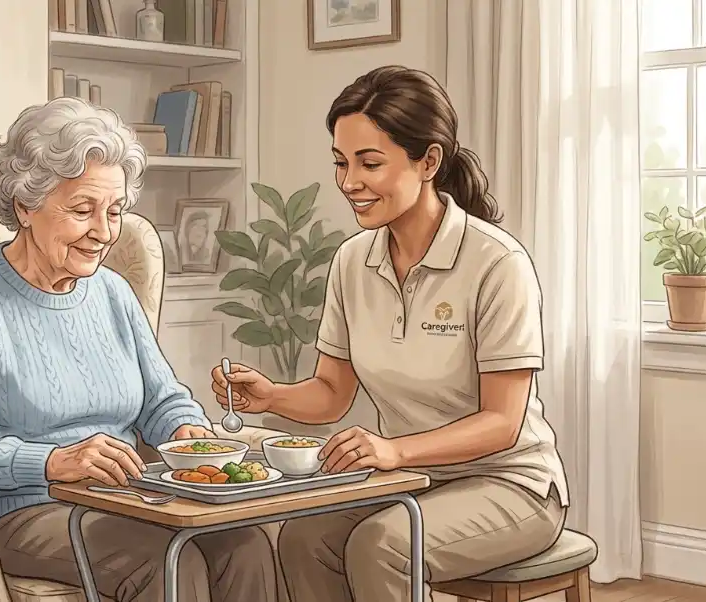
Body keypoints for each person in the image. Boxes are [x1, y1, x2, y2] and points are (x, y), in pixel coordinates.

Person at [210, 65, 569, 602]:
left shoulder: (497, 262)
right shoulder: (352, 261)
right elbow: (332, 393)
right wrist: (273, 395)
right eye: (341, 162)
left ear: (428, 162)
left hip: (510, 485)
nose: (348, 182)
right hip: (415, 480)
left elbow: (501, 423)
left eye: (369, 163)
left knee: (382, 544)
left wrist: (395, 451)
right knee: (304, 536)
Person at [0, 97, 276, 602]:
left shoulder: (113, 292)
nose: (103, 232)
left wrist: (186, 430)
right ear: (24, 206)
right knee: (165, 560)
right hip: (26, 510)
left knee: (242, 543)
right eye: (82, 211)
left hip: (128, 499)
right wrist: (50, 462)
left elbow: (162, 399)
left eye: (114, 211)